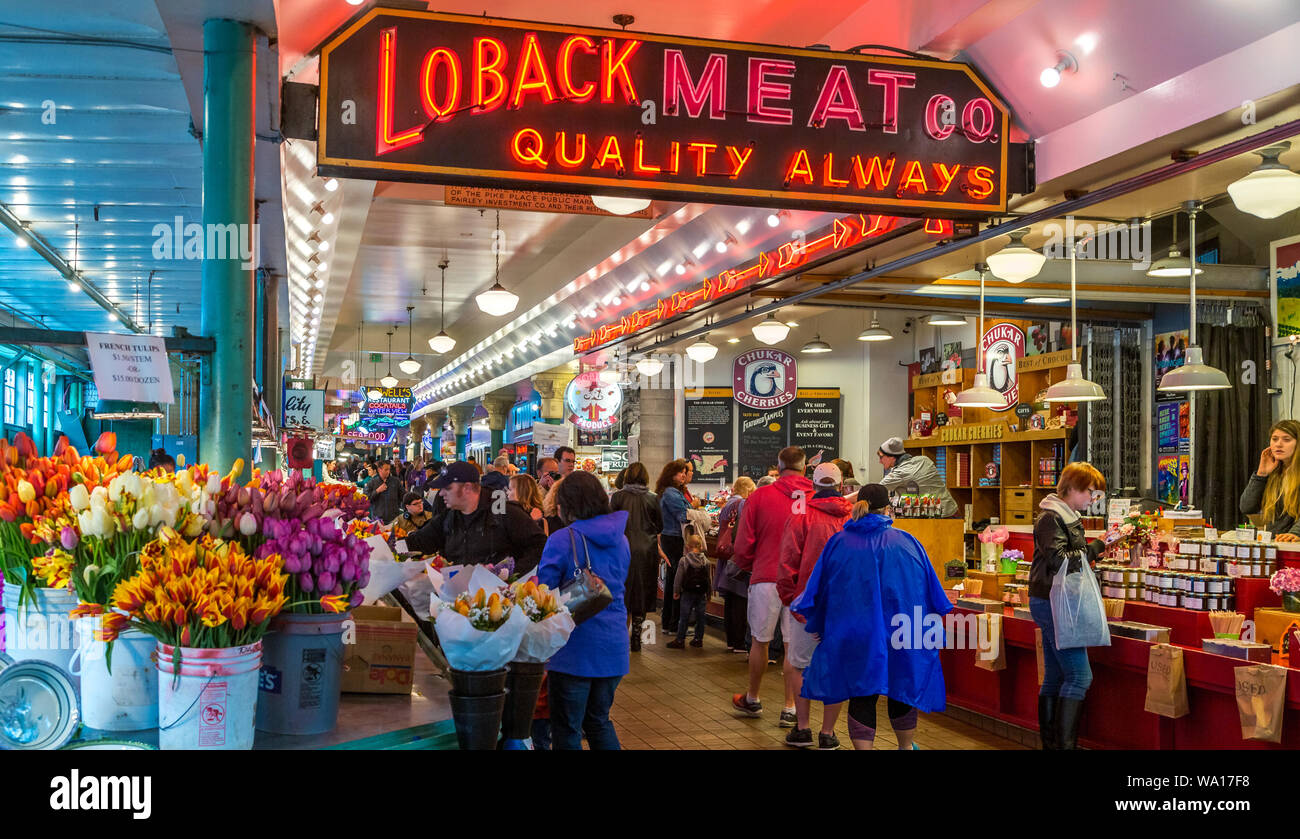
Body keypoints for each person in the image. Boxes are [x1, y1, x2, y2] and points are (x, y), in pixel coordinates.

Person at [791, 484, 952, 750]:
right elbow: (929, 591)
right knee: (902, 688)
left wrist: (821, 624)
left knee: (862, 692)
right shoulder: (907, 542)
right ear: (888, 509)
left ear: (858, 506)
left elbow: (818, 590)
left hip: (854, 631)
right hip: (904, 629)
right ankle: (905, 747)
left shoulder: (839, 542)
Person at [534, 471, 630, 750]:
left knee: (567, 729)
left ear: (570, 504)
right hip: (613, 645)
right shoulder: (621, 539)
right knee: (599, 722)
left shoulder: (564, 538)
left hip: (573, 648)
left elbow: (544, 592)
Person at [730, 446, 813, 725]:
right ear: (804, 468)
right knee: (793, 646)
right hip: (802, 582)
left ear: (778, 467)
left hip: (766, 576)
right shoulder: (814, 497)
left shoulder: (760, 496)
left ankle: (753, 698)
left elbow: (743, 544)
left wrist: (747, 562)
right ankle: (790, 708)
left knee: (759, 642)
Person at [1030, 462, 1109, 750]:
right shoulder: (1051, 518)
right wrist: (1097, 547)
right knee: (1079, 675)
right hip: (1053, 601)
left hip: (1053, 598)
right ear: (1073, 487)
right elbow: (1061, 560)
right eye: (1091, 491)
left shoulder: (1066, 516)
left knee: (1055, 675)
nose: (1093, 499)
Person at [777, 462, 852, 749]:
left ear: (813, 484)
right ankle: (828, 732)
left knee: (798, 665)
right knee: (837, 666)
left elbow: (787, 561)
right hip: (842, 607)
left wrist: (789, 598)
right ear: (841, 485)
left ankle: (803, 727)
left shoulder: (801, 514)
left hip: (805, 605)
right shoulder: (850, 519)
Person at [405, 461, 547, 574]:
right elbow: (421, 541)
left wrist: (510, 574)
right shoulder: (449, 516)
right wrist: (389, 546)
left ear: (467, 488)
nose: (441, 493)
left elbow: (539, 544)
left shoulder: (504, 511)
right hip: (459, 599)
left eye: (447, 488)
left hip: (497, 601)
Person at [609, 462, 662, 652]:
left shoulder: (617, 497)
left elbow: (610, 523)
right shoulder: (653, 498)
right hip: (647, 551)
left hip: (621, 549)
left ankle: (621, 635)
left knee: (622, 591)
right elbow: (660, 525)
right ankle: (637, 636)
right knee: (642, 592)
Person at [1240, 420, 1300, 542]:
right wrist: (1261, 474)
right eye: (1275, 439)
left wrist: (1296, 533)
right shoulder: (1273, 473)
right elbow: (1247, 507)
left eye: (1286, 440)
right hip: (1275, 542)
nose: (1278, 444)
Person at [714, 477, 755, 653]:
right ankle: (739, 642)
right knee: (739, 598)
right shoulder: (742, 503)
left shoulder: (726, 505)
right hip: (737, 557)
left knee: (729, 600)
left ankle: (730, 640)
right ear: (746, 489)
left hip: (725, 556)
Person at [877, 436, 957, 517]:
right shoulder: (924, 460)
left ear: (891, 457)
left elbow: (874, 491)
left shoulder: (900, 473)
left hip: (936, 519)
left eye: (881, 457)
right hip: (952, 512)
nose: (879, 461)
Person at [655, 460, 691, 636]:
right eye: (680, 472)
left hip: (670, 537)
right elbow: (684, 515)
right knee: (676, 581)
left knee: (672, 580)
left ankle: (669, 622)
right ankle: (673, 623)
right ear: (671, 474)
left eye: (685, 472)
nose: (683, 475)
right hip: (674, 538)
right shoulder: (671, 493)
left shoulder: (669, 492)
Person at [667, 533, 712, 650]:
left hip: (687, 592)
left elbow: (678, 578)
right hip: (701, 593)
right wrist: (709, 593)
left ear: (687, 546)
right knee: (701, 617)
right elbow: (708, 579)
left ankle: (680, 639)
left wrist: (676, 591)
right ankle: (698, 639)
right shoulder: (706, 561)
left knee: (684, 616)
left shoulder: (684, 560)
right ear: (701, 546)